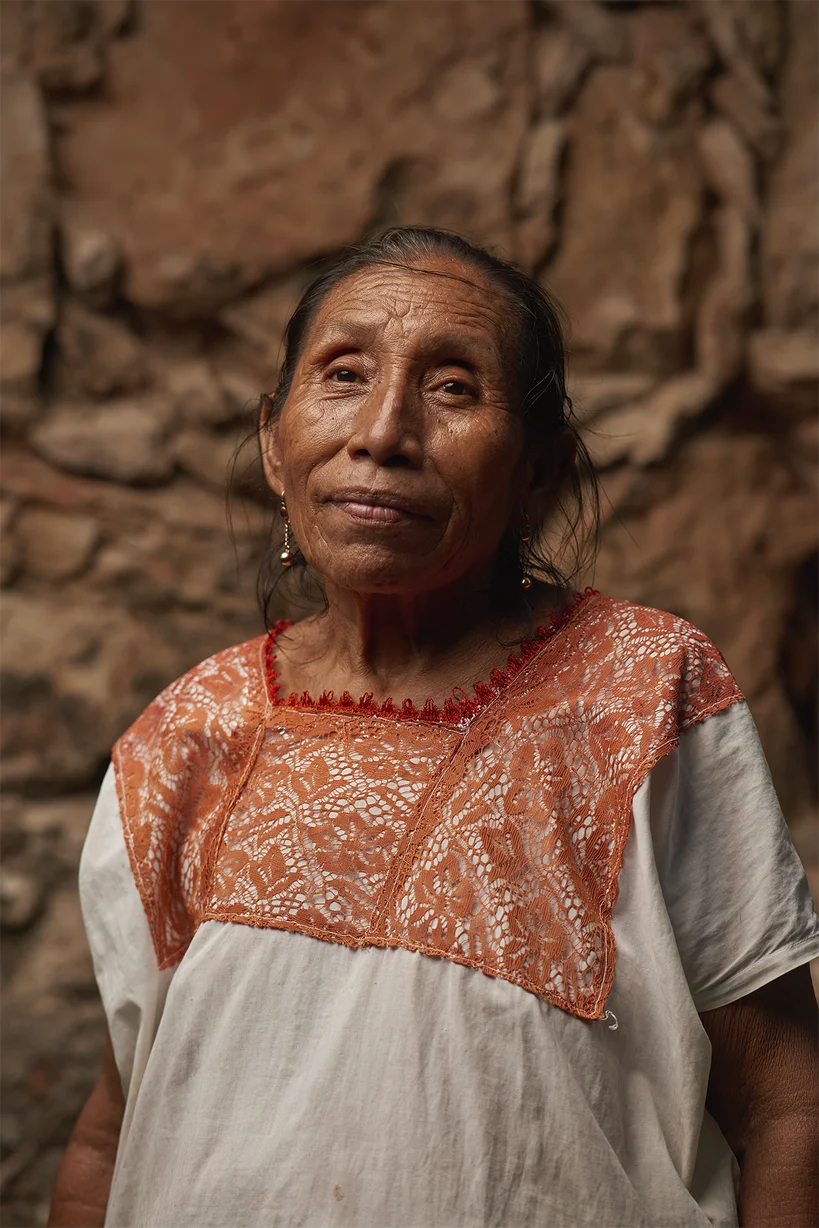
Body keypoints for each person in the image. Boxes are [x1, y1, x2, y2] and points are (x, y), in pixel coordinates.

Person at [49, 227, 819, 1228]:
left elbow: (787, 1105)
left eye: (454, 387)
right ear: (277, 444)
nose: (383, 431)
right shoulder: (184, 739)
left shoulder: (642, 693)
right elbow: (116, 1128)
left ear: (539, 472)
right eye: (343, 374)